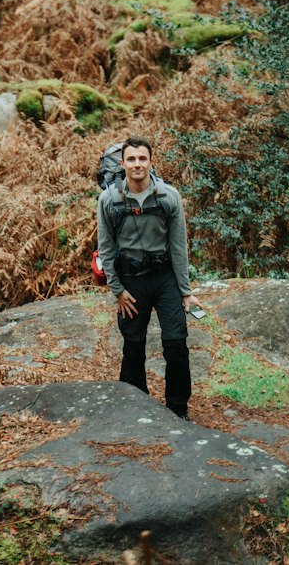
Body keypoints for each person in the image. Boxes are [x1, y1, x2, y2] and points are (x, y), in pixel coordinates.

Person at [96, 135, 199, 418]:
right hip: (131, 282)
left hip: (164, 278)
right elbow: (104, 246)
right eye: (131, 159)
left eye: (142, 158)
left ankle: (177, 408)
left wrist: (186, 291)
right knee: (134, 343)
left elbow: (178, 246)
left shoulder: (169, 197)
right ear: (122, 163)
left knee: (176, 342)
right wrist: (117, 290)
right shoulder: (108, 199)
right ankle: (135, 404)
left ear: (151, 162)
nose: (137, 164)